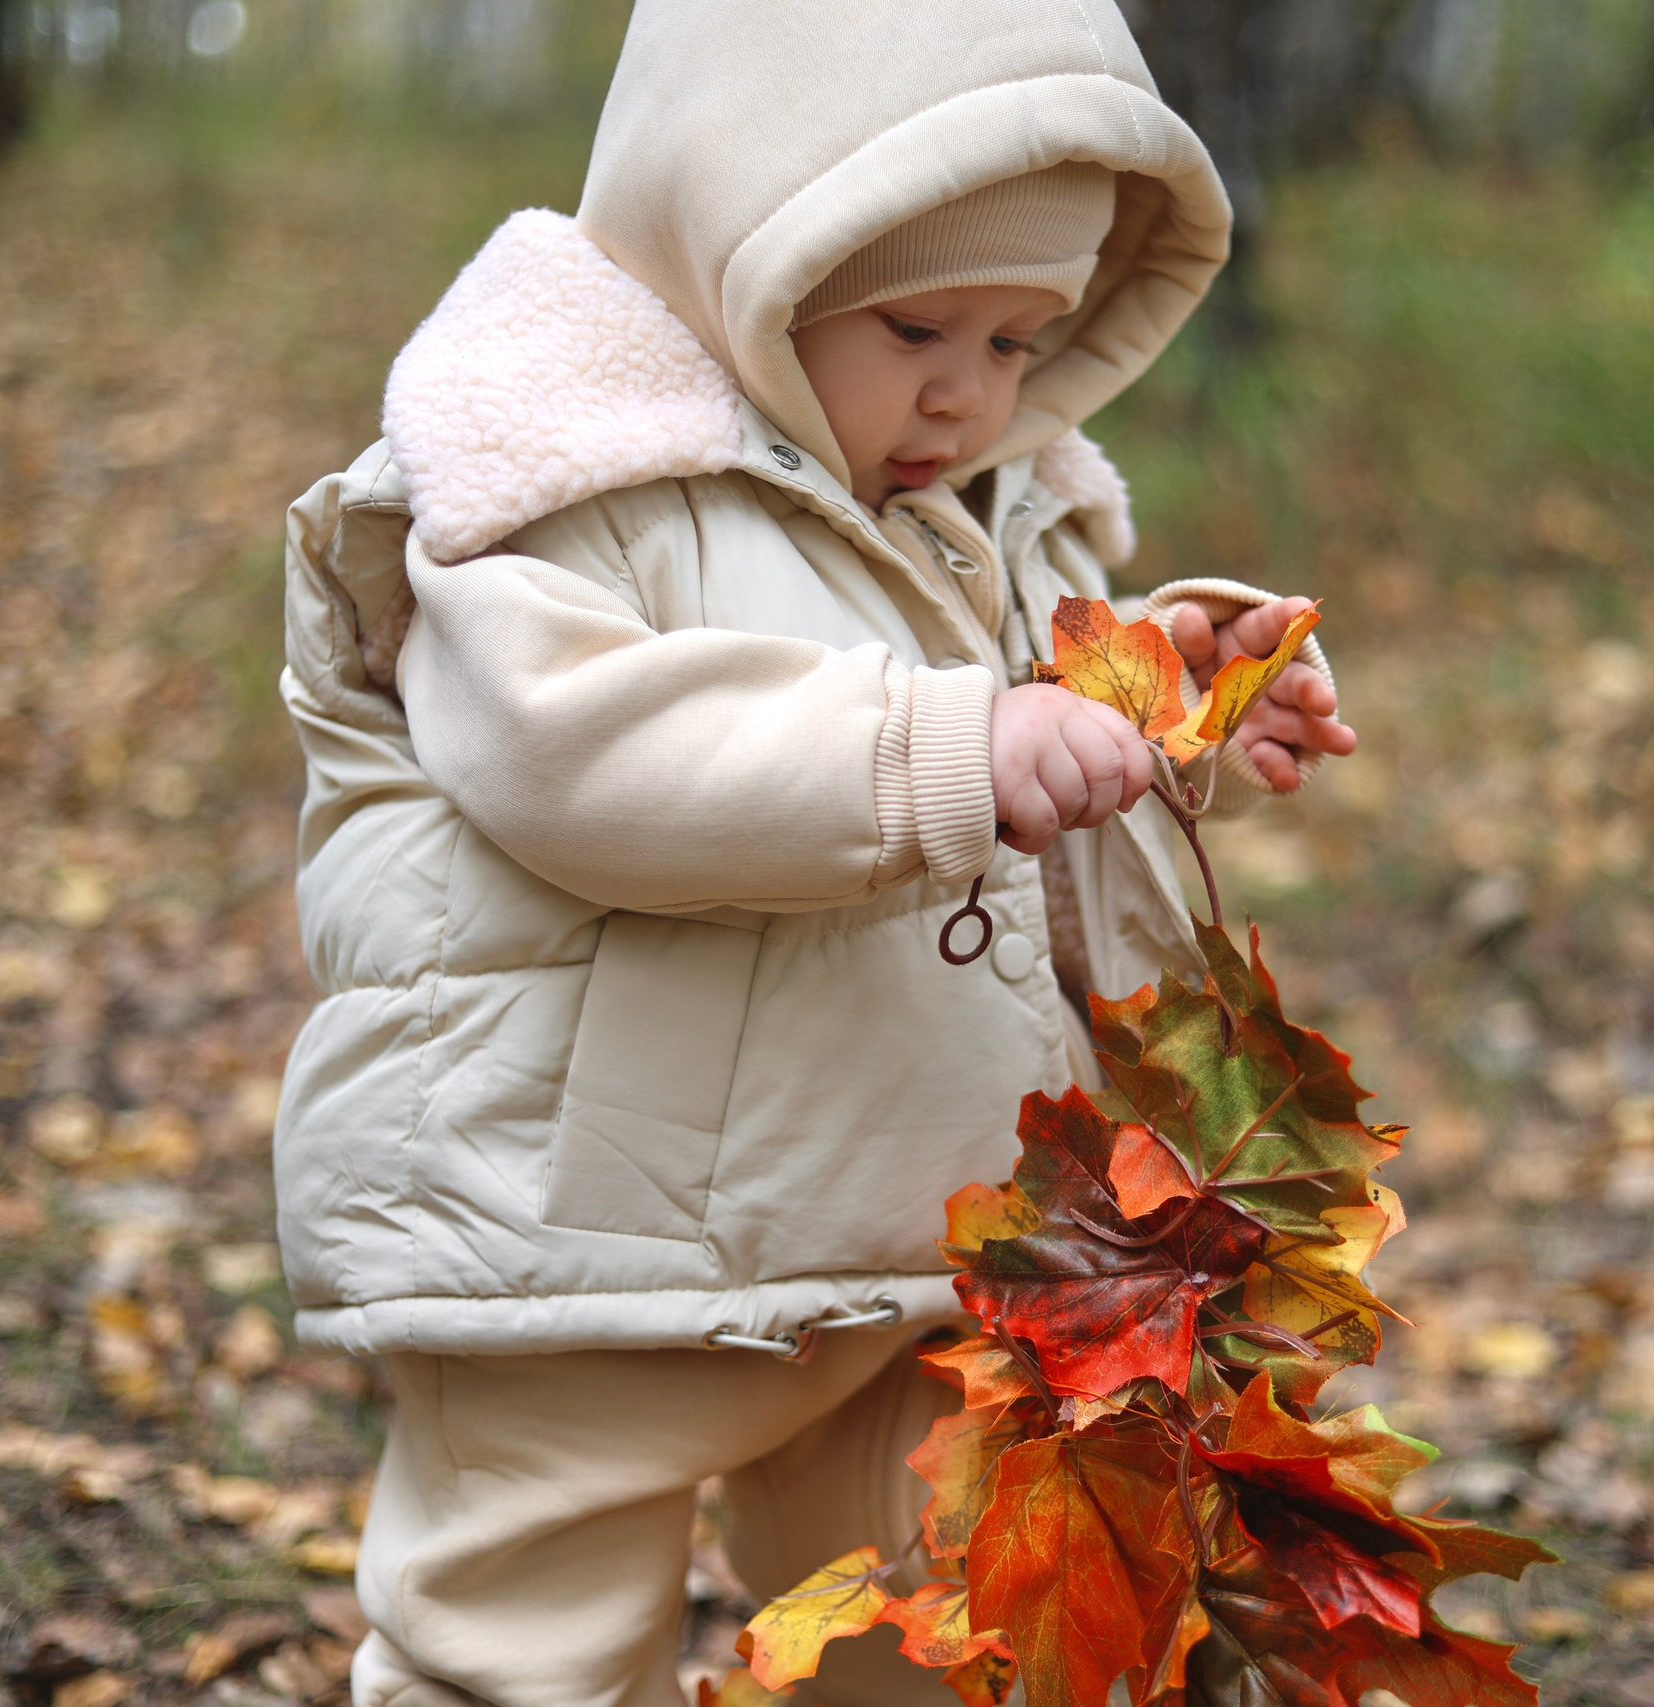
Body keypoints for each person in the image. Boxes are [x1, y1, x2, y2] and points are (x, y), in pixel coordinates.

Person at [271, 3, 1356, 1702]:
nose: (965, 389)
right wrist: (950, 750)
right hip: (580, 1238)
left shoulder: (987, 495)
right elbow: (580, 753)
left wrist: (1160, 706)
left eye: (1022, 339)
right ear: (736, 251)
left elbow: (1023, 756)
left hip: (909, 1223)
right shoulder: (548, 471)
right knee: (519, 1641)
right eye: (918, 322)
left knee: (956, 1612)